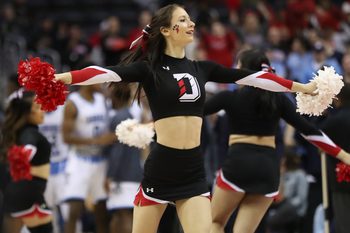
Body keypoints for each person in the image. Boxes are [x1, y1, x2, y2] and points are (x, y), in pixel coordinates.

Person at [54, 4, 319, 233]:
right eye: (182, 20)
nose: (191, 23)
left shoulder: (202, 68)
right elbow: (104, 73)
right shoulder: (149, 69)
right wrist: (62, 78)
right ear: (166, 31)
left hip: (193, 169)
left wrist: (302, 88)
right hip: (161, 169)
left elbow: (256, 78)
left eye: (189, 19)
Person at [203, 49, 350, 233]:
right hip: (268, 169)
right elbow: (310, 132)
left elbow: (193, 111)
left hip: (239, 163)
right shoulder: (278, 100)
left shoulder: (230, 97)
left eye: (238, 66)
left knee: (215, 223)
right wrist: (344, 155)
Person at [62, 83, 114, 233]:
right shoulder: (73, 102)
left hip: (101, 160)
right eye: (97, 79)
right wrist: (95, 141)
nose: (101, 83)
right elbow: (66, 137)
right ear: (87, 81)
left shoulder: (102, 100)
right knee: (74, 211)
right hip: (80, 160)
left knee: (102, 213)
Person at [1, 89, 53, 233]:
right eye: (36, 107)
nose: (42, 109)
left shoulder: (16, 133)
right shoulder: (30, 134)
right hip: (29, 195)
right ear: (25, 113)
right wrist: (22, 156)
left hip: (16, 194)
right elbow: (27, 149)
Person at [104, 84, 144, 233]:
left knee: (124, 214)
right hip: (134, 171)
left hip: (122, 174)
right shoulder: (130, 116)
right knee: (120, 214)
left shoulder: (119, 118)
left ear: (116, 97)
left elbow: (118, 151)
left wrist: (110, 176)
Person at [320, 83, 350, 233]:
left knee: (344, 221)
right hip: (341, 176)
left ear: (337, 99)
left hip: (341, 178)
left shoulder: (333, 121)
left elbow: (317, 139)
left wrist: (322, 115)